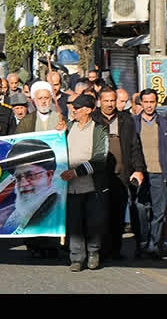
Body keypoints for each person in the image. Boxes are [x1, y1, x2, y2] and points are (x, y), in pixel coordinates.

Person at [92, 87, 146, 261]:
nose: (109, 104)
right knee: (100, 214)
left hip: (121, 175)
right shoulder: (93, 119)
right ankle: (99, 249)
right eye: (106, 100)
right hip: (99, 175)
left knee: (117, 214)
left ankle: (115, 249)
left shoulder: (126, 119)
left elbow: (134, 146)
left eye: (112, 100)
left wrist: (138, 169)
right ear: (100, 101)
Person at [60, 94, 108, 272]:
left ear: (88, 110)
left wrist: (76, 171)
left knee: (93, 222)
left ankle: (94, 253)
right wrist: (59, 133)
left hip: (92, 186)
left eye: (78, 108)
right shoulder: (69, 127)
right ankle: (76, 258)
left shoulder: (99, 130)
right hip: (71, 188)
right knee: (74, 223)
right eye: (73, 107)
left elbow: (99, 159)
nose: (74, 110)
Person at [132, 88, 167, 259]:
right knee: (140, 209)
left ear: (156, 103)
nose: (149, 105)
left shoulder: (166, 125)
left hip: (160, 173)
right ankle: (142, 243)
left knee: (159, 212)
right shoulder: (133, 124)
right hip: (140, 174)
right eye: (145, 102)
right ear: (141, 103)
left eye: (152, 102)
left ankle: (153, 246)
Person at [2, 139, 63, 235]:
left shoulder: (58, 209)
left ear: (49, 175)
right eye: (18, 178)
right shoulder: (16, 215)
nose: (23, 184)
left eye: (30, 176)